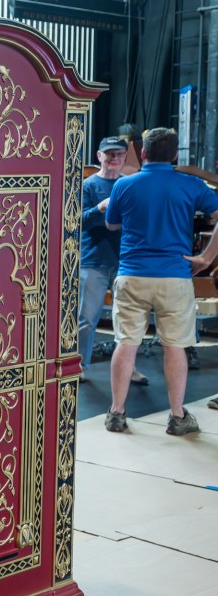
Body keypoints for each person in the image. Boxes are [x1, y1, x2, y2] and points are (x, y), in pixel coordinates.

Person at [103, 126, 218, 436]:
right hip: (174, 276)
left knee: (126, 343)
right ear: (175, 155)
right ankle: (178, 417)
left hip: (132, 274)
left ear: (143, 153)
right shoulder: (191, 184)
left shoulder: (124, 185)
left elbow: (112, 224)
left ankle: (116, 413)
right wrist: (206, 257)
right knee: (174, 346)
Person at [79, 135, 147, 386]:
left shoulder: (128, 184)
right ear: (99, 156)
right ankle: (80, 365)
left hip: (125, 261)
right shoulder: (88, 185)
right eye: (110, 154)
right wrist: (100, 209)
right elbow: (77, 220)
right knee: (87, 319)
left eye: (119, 154)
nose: (115, 158)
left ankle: (129, 369)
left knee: (127, 320)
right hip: (93, 259)